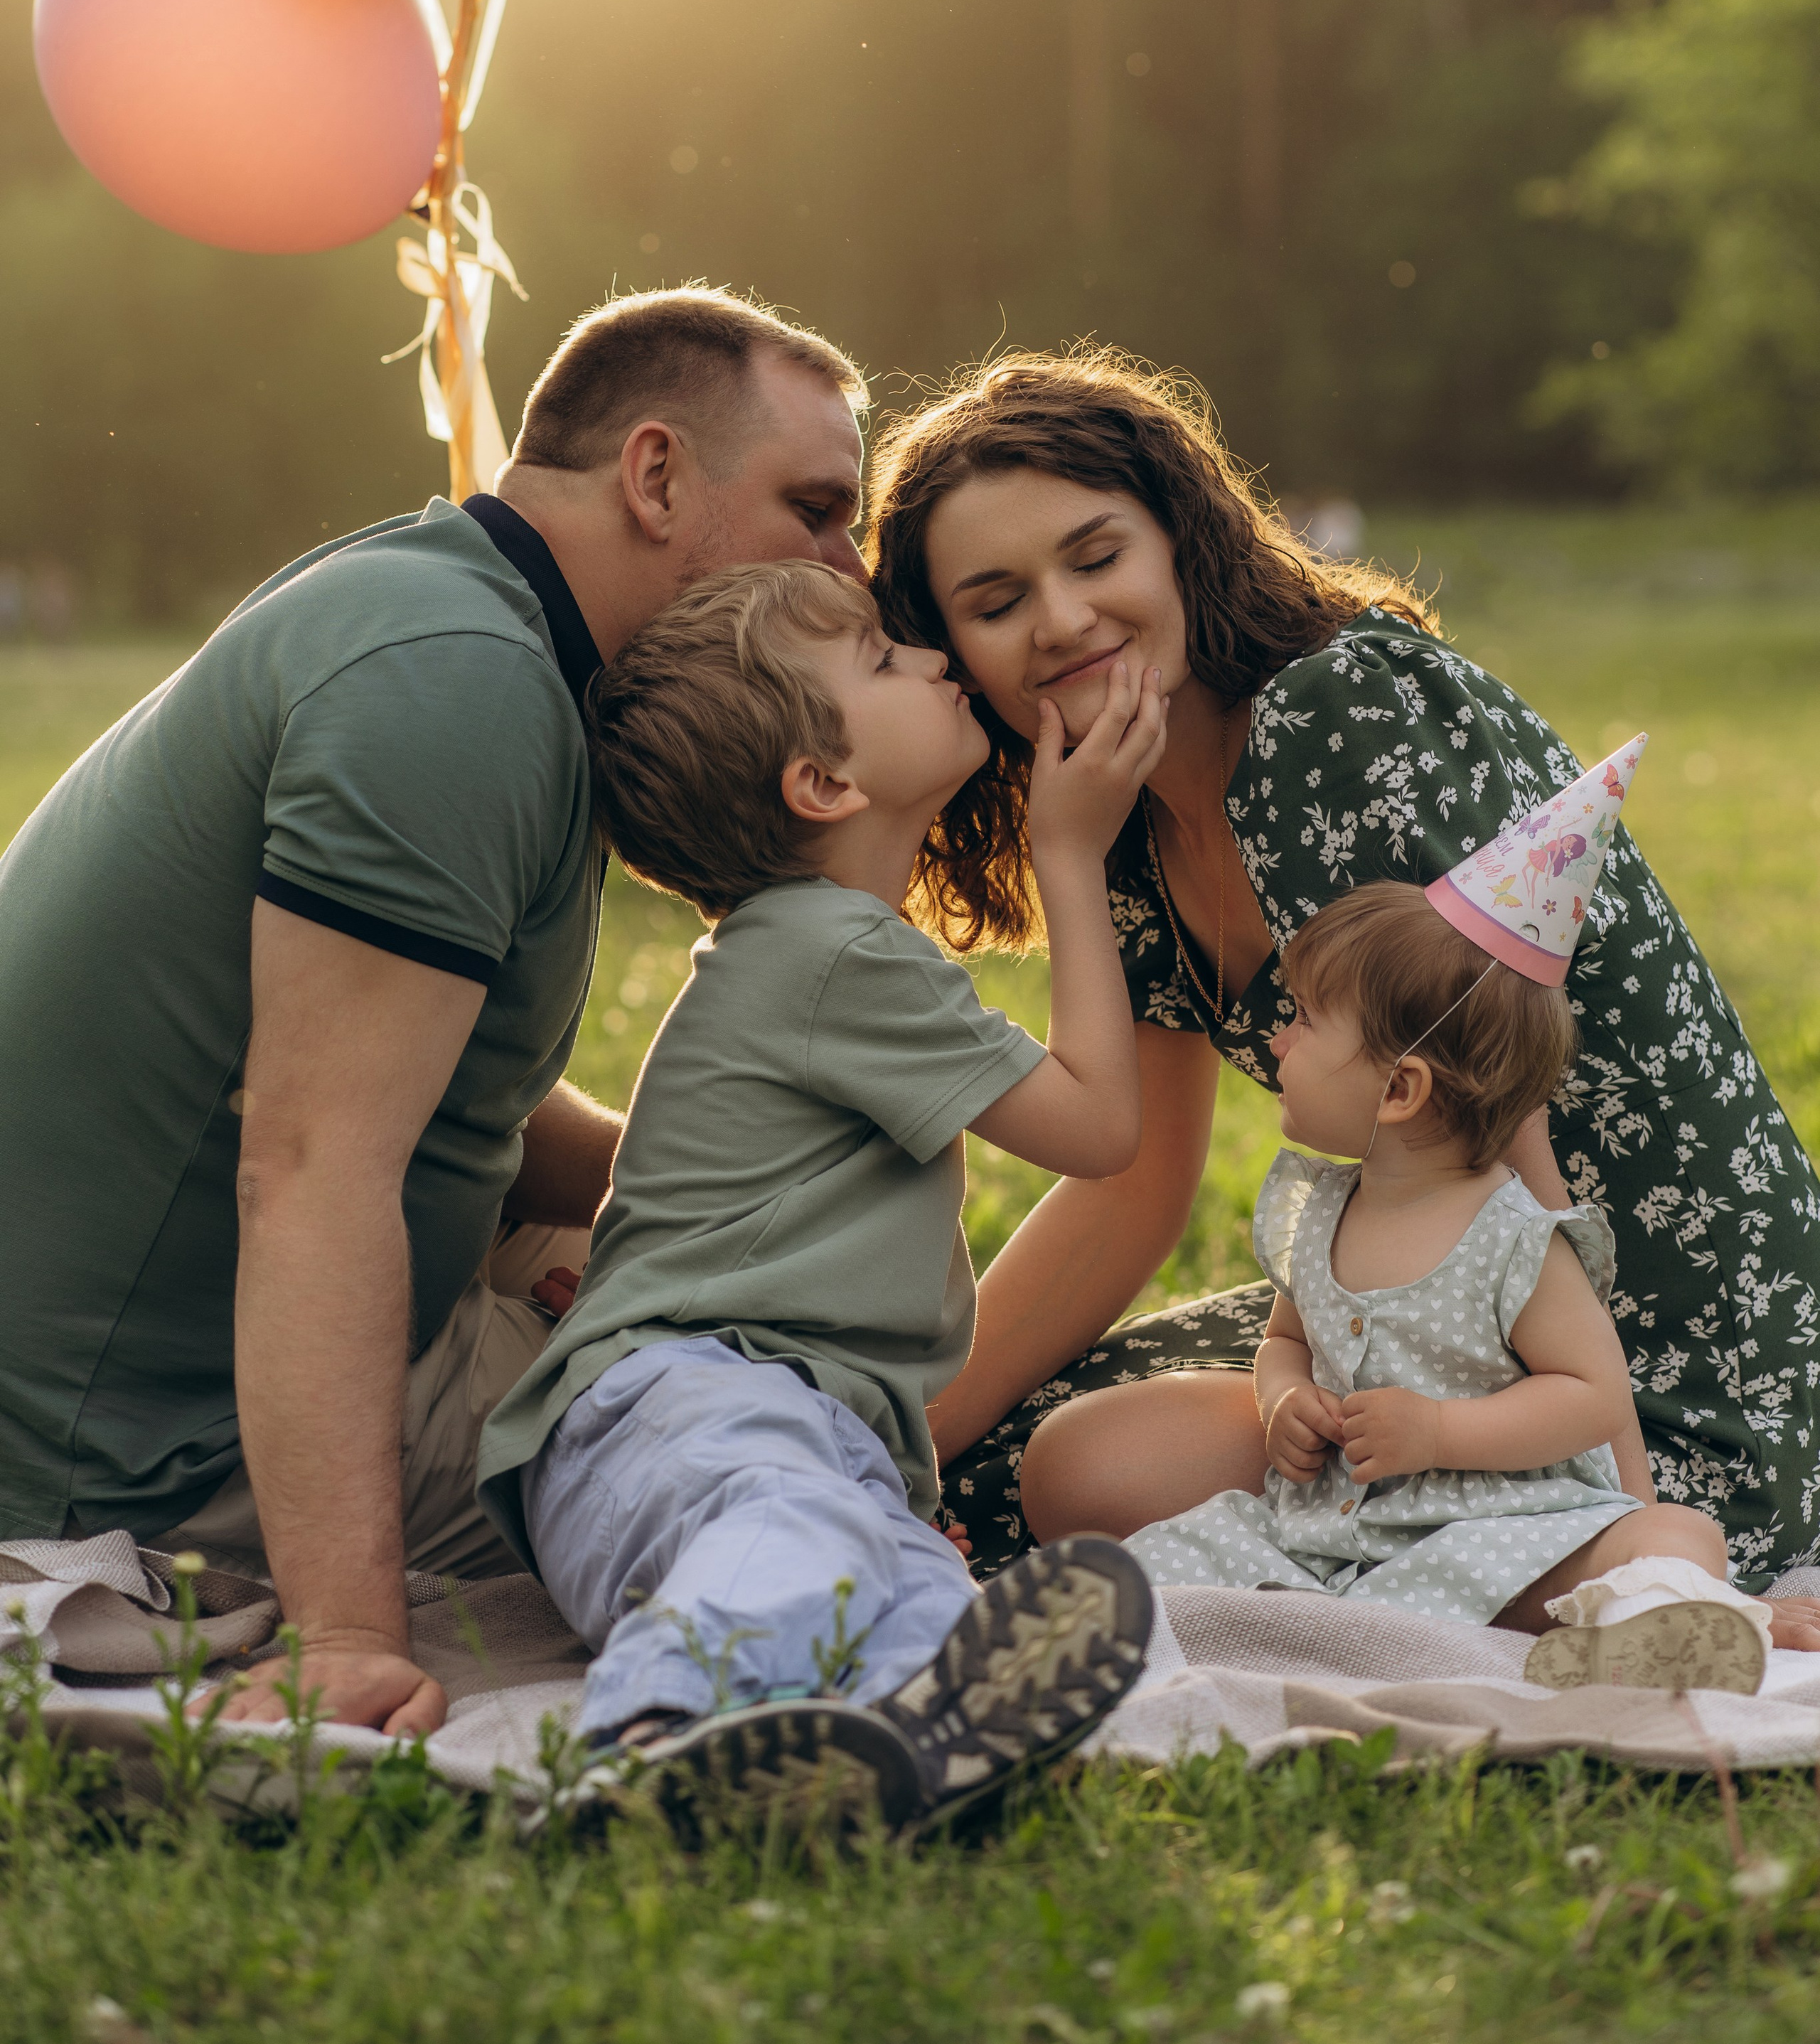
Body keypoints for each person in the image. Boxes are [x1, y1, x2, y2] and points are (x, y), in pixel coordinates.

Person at [0, 287, 877, 1738]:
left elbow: (457, 1091)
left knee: (741, 1281)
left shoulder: (454, 610)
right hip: (131, 1452)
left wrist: (734, 1189)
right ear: (657, 476)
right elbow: (312, 1163)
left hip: (175, 1334)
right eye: (818, 510)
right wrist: (348, 1634)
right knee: (785, 1395)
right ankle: (802, 1660)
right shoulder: (456, 686)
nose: (850, 571)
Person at [865, 349, 1820, 1637]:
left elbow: (1511, 1137)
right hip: (1426, 1318)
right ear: (954, 653)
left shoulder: (1339, 716)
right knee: (1011, 1466)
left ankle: (1651, 1577)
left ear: (1182, 542)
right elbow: (1133, 1186)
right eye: (996, 601)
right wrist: (894, 1442)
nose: (1064, 619)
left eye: (1097, 558)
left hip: (1637, 1345)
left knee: (1075, 1489)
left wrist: (1608, 1488)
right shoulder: (1119, 818)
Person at [475, 560, 1160, 1831]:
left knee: (911, 1596)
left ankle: (907, 1751)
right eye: (886, 661)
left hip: (779, 1437)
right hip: (687, 1403)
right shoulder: (830, 949)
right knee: (792, 1533)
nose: (934, 658)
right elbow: (1101, 1127)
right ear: (824, 783)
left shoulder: (815, 943)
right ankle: (646, 1745)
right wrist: (1071, 851)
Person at [1070, 759, 1775, 1696]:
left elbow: (1592, 1396)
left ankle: (1655, 1622)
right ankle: (1133, 1629)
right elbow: (1284, 1343)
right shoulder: (1320, 1209)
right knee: (1163, 1557)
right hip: (1332, 1532)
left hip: (1506, 1531)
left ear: (1399, 1089)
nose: (1277, 1040)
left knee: (1671, 1535)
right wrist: (1284, 1401)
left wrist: (1442, 1431)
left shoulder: (1513, 1237)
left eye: (1305, 1021)